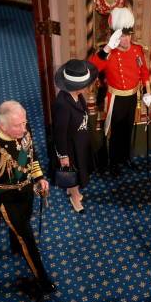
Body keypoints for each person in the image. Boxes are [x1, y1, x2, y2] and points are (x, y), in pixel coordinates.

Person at [0, 101, 55, 298]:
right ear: (2, 126)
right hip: (6, 199)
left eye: (24, 123)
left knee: (24, 223)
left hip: (26, 191)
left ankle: (14, 242)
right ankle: (43, 279)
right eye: (18, 125)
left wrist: (39, 178)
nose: (24, 128)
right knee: (28, 239)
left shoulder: (24, 131)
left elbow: (32, 158)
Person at [89, 7, 151, 176]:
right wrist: (108, 47)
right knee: (114, 133)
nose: (126, 39)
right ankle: (114, 163)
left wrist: (147, 91)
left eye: (128, 35)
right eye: (122, 36)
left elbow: (144, 71)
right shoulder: (108, 53)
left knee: (127, 129)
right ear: (115, 36)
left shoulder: (137, 50)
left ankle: (126, 158)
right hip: (115, 98)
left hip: (132, 97)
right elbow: (93, 68)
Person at [52, 59, 98, 214]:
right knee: (73, 172)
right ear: (77, 86)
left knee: (81, 168)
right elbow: (59, 133)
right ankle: (74, 195)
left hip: (81, 141)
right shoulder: (62, 104)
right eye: (86, 83)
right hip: (70, 147)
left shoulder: (78, 96)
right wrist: (63, 156)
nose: (88, 85)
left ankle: (73, 189)